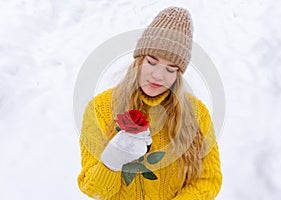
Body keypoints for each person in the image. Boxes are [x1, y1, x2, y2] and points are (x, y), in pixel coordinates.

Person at [77, 6, 222, 200]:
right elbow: (93, 189)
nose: (158, 76)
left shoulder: (197, 113)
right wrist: (111, 163)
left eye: (171, 69)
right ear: (139, 60)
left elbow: (209, 180)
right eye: (152, 62)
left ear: (179, 75)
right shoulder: (100, 108)